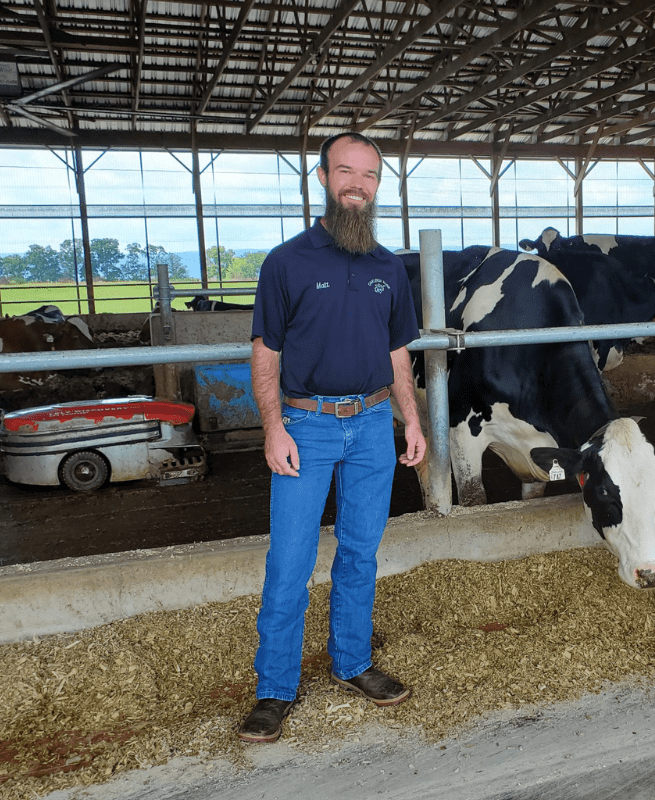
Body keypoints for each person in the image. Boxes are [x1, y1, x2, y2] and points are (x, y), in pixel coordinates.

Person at [239, 131, 426, 744]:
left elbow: (398, 352)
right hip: (306, 426)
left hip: (373, 425)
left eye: (368, 175)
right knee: (290, 559)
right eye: (344, 171)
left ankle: (352, 663)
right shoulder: (287, 261)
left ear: (378, 186)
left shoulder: (388, 267)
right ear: (321, 179)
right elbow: (265, 353)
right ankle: (275, 689)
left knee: (359, 551)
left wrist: (413, 420)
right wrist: (272, 427)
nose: (357, 184)